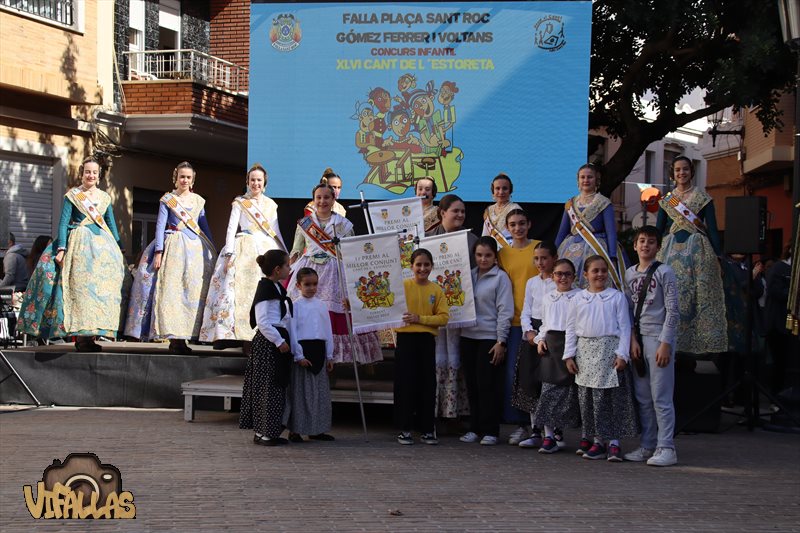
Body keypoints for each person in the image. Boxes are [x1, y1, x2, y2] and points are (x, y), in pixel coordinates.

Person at [18, 157, 126, 350]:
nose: (90, 175)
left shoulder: (104, 198)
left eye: (94, 172)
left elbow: (110, 223)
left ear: (99, 175)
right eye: (87, 172)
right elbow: (63, 222)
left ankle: (93, 336)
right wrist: (61, 249)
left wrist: (119, 247)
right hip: (79, 245)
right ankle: (81, 338)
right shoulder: (73, 196)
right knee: (81, 292)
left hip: (102, 249)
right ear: (81, 174)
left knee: (98, 293)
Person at [125, 161, 216, 354]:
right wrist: (159, 251)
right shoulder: (167, 199)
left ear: (193, 180)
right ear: (175, 178)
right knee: (172, 292)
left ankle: (186, 335)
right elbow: (160, 225)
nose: (185, 180)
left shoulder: (199, 201)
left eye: (188, 177)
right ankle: (174, 338)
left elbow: (204, 227)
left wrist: (213, 250)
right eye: (181, 176)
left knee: (191, 293)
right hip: (173, 247)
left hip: (195, 251)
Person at [289, 181, 382, 364]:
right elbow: (296, 249)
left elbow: (353, 251)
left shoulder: (344, 224)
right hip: (309, 271)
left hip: (335, 272)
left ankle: (337, 357)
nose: (322, 201)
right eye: (319, 197)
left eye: (326, 197)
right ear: (313, 200)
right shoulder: (305, 224)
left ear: (333, 200)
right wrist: (290, 268)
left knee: (336, 310)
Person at [200, 164, 285, 350]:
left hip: (265, 247)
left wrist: (284, 252)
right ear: (247, 182)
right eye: (252, 180)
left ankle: (260, 334)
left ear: (265, 184)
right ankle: (229, 335)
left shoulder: (271, 205)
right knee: (232, 291)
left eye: (259, 180)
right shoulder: (239, 202)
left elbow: (275, 230)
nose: (256, 183)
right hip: (243, 245)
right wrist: (229, 252)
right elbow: (231, 228)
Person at [564, 255, 638, 462]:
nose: (599, 274)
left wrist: (622, 354)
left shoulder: (616, 297)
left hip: (609, 352)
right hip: (585, 353)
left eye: (603, 270)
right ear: (585, 274)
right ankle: (597, 441)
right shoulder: (578, 299)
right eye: (595, 271)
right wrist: (569, 355)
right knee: (589, 400)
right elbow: (571, 328)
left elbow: (624, 328)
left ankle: (614, 442)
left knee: (610, 400)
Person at [655, 156, 726, 355]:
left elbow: (712, 228)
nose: (681, 173)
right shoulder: (666, 201)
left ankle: (694, 345)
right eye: (677, 170)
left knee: (696, 295)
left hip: (697, 251)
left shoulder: (703, 198)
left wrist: (718, 256)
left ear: (691, 171)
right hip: (669, 251)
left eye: (685, 169)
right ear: (672, 173)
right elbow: (659, 229)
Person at [623, 226, 680, 467]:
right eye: (641, 241)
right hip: (638, 339)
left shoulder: (665, 272)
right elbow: (627, 310)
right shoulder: (628, 274)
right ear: (634, 246)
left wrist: (666, 342)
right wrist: (632, 340)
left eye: (651, 242)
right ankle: (648, 444)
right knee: (643, 396)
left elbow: (673, 309)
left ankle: (666, 446)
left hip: (658, 337)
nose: (645, 245)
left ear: (658, 247)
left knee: (661, 396)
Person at [425, 193, 477, 420]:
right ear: (442, 213)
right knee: (435, 359)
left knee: (458, 359)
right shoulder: (426, 240)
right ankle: (433, 414)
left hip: (460, 311)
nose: (460, 215)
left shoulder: (472, 240)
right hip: (434, 313)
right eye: (455, 211)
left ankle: (457, 414)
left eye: (463, 211)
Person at [458, 237, 514, 445]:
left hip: (489, 338)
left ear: (495, 257)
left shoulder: (501, 278)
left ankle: (491, 430)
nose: (483, 259)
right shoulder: (467, 276)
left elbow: (505, 310)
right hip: (467, 336)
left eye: (488, 255)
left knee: (487, 386)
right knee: (471, 385)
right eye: (479, 255)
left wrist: (501, 341)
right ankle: (474, 428)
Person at [394, 248, 449, 445]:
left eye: (426, 264)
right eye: (418, 264)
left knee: (427, 384)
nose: (422, 268)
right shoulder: (402, 287)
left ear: (432, 266)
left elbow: (443, 317)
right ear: (411, 266)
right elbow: (385, 306)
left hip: (426, 341)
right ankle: (405, 429)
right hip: (405, 341)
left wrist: (420, 319)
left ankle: (427, 429)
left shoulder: (436, 290)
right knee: (405, 384)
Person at [240, 250, 294, 446]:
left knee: (275, 387)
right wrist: (279, 342)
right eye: (287, 265)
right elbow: (263, 321)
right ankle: (265, 433)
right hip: (269, 343)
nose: (290, 268)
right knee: (267, 388)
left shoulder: (276, 288)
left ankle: (267, 430)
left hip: (277, 339)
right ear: (277, 269)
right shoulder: (266, 289)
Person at [497, 209, 540, 444]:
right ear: (508, 227)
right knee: (515, 374)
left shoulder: (539, 248)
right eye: (513, 224)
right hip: (514, 321)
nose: (518, 228)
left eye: (522, 223)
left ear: (529, 224)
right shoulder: (502, 253)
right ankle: (521, 424)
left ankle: (545, 426)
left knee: (541, 375)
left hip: (540, 321)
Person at [532, 258, 582, 454]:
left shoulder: (580, 296)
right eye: (559, 274)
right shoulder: (548, 297)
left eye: (567, 274)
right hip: (552, 346)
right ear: (552, 276)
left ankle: (581, 436)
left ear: (574, 277)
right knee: (548, 392)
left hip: (572, 345)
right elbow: (545, 323)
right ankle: (549, 436)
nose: (563, 278)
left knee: (573, 394)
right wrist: (540, 339)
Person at [285, 267, 335, 443]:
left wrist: (329, 355)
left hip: (319, 351)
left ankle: (317, 429)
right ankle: (296, 430)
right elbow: (293, 332)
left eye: (314, 284)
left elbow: (327, 331)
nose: (311, 288)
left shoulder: (322, 305)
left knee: (319, 394)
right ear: (298, 285)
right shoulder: (295, 306)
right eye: (307, 284)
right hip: (303, 352)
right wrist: (298, 355)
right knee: (301, 394)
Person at [515, 241, 558, 448]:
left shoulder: (558, 282)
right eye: (536, 258)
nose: (540, 262)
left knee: (549, 384)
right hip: (532, 333)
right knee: (530, 382)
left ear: (554, 259)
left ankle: (554, 431)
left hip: (552, 334)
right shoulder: (532, 282)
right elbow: (526, 309)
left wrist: (542, 336)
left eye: (544, 258)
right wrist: (529, 331)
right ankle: (535, 430)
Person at [555, 164, 624, 289]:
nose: (586, 180)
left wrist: (612, 255)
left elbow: (611, 232)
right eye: (582, 177)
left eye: (589, 177)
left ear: (596, 180)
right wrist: (554, 253)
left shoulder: (603, 202)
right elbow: (562, 231)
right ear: (578, 181)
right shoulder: (570, 203)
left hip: (596, 247)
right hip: (570, 247)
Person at [481, 173, 521, 247]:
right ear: (493, 190)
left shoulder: (515, 208)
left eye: (505, 188)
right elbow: (485, 236)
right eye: (497, 188)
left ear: (510, 191)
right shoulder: (489, 210)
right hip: (491, 252)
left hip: (511, 250)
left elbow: (519, 233)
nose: (501, 192)